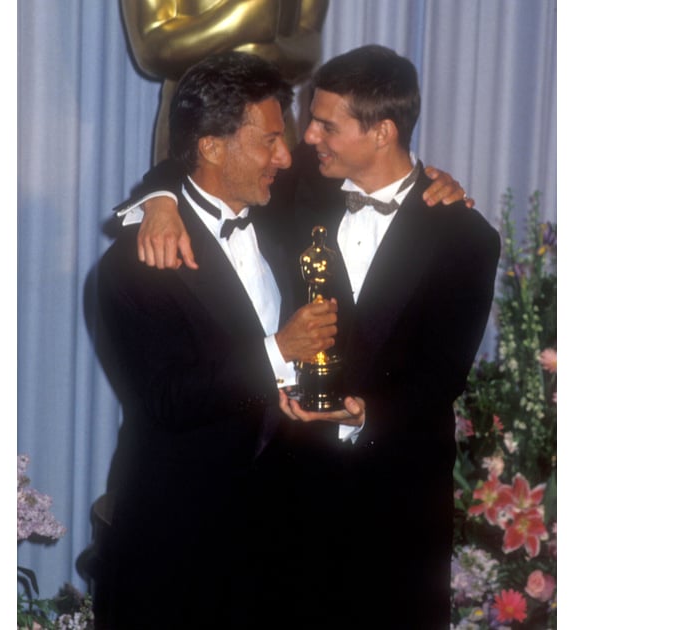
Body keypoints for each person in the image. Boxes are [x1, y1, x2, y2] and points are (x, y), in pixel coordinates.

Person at [122, 45, 502, 628]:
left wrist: (360, 412)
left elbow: (442, 373)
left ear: (382, 132)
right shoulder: (296, 190)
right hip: (290, 497)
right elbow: (206, 157)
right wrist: (159, 200)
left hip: (396, 497)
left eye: (327, 124)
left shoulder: (466, 236)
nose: (306, 140)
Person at [90, 51, 339, 629]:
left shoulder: (277, 212)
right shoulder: (136, 263)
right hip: (181, 545)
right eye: (271, 140)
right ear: (211, 146)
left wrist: (440, 189)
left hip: (281, 540)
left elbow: (377, 179)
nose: (287, 155)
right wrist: (280, 350)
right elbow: (167, 400)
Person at [121, 0, 329, 162]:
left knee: (275, 210)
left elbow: (310, 45)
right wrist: (247, 13)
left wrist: (256, 50)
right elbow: (150, 49)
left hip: (274, 119)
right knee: (189, 210)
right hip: (196, 119)